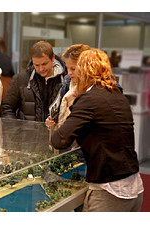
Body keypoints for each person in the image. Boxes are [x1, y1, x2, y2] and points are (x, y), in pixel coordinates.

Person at [51, 49, 144, 212]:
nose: (70, 73)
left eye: (74, 69)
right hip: (133, 185)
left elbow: (60, 140)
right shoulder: (116, 94)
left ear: (83, 70)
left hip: (110, 191)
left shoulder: (89, 99)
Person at [1, 41, 67, 121]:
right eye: (37, 65)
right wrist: (15, 130)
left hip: (56, 132)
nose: (41, 69)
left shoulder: (66, 79)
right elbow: (7, 108)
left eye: (44, 64)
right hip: (27, 132)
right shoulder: (21, 79)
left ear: (53, 58)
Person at [46, 44, 91, 129]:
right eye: (67, 68)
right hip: (64, 133)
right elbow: (57, 107)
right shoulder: (67, 81)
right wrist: (52, 119)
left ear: (86, 66)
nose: (69, 72)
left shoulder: (95, 88)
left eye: (73, 69)